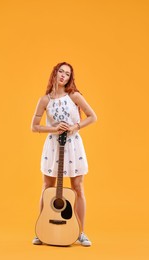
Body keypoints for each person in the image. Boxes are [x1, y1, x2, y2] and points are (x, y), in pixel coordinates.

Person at [31, 62, 97, 247]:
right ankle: (41, 229)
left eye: (67, 74)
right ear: (55, 73)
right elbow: (34, 127)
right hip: (53, 146)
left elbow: (93, 116)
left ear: (70, 78)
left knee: (77, 187)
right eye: (61, 71)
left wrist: (75, 127)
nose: (63, 76)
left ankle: (80, 232)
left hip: (73, 146)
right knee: (47, 186)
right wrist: (52, 129)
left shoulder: (74, 96)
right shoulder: (45, 100)